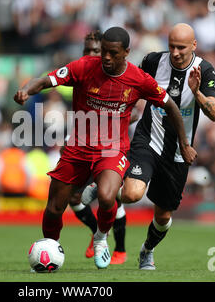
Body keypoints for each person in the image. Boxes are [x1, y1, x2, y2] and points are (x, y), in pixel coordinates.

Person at [14, 26, 197, 269]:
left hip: (112, 149)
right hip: (78, 147)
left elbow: (172, 107)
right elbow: (46, 80)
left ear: (126, 53)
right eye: (104, 53)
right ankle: (49, 249)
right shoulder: (83, 66)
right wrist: (26, 90)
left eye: (113, 53)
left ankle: (100, 238)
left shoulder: (139, 79)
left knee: (107, 196)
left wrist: (184, 144)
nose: (107, 58)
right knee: (54, 207)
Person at [83, 23, 215, 270]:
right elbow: (130, 85)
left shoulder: (205, 70)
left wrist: (197, 93)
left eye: (181, 48)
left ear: (194, 46)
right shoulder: (154, 61)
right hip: (149, 139)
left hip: (179, 151)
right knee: (131, 194)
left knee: (163, 217)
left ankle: (147, 250)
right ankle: (107, 182)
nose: (175, 52)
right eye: (171, 46)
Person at [65, 31, 128, 264]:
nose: (92, 55)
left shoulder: (115, 76)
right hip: (82, 144)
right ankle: (98, 232)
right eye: (87, 51)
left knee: (110, 199)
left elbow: (129, 113)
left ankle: (120, 249)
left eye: (95, 51)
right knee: (73, 197)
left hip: (111, 148)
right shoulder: (81, 71)